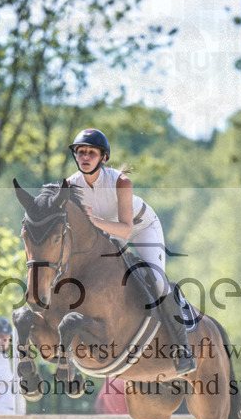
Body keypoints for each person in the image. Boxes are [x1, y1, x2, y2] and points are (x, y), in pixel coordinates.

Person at [65, 128, 196, 376]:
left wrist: (93, 221)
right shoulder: (71, 185)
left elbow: (126, 230)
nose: (85, 157)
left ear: (103, 158)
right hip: (106, 235)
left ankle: (182, 349)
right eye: (80, 152)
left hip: (141, 227)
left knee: (157, 282)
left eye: (91, 153)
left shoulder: (120, 182)